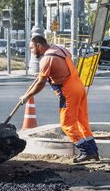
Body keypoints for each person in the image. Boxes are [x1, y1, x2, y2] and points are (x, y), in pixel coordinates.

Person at [20, 35, 99, 163]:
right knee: (81, 122)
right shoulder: (60, 49)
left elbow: (40, 83)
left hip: (69, 92)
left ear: (39, 46)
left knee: (67, 124)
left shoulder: (47, 59)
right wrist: (26, 94)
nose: (31, 51)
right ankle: (93, 151)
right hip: (79, 87)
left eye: (32, 48)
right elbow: (40, 79)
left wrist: (27, 97)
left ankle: (87, 151)